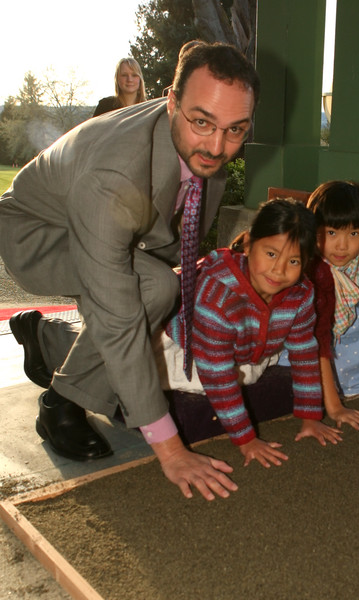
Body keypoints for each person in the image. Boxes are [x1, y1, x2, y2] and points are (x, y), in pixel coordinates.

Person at [0, 42, 259, 502]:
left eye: (235, 129)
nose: (218, 146)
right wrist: (172, 449)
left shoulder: (205, 149)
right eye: (202, 121)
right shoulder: (113, 175)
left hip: (101, 220)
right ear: (171, 100)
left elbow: (177, 240)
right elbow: (118, 319)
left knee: (161, 287)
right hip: (38, 231)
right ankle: (60, 402)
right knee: (148, 292)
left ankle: (48, 353)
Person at [155, 198, 343, 468]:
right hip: (183, 346)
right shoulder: (217, 296)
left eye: (293, 261)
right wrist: (246, 440)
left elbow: (304, 353)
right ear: (248, 244)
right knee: (197, 378)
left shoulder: (301, 294)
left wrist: (311, 417)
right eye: (271, 254)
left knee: (249, 373)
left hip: (244, 349)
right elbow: (218, 376)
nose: (279, 270)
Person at [306, 180, 359, 430]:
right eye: (331, 233)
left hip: (350, 327)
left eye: (354, 234)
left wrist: (346, 301)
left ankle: (356, 397)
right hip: (309, 332)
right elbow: (318, 340)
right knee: (307, 385)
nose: (342, 246)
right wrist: (335, 409)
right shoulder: (311, 268)